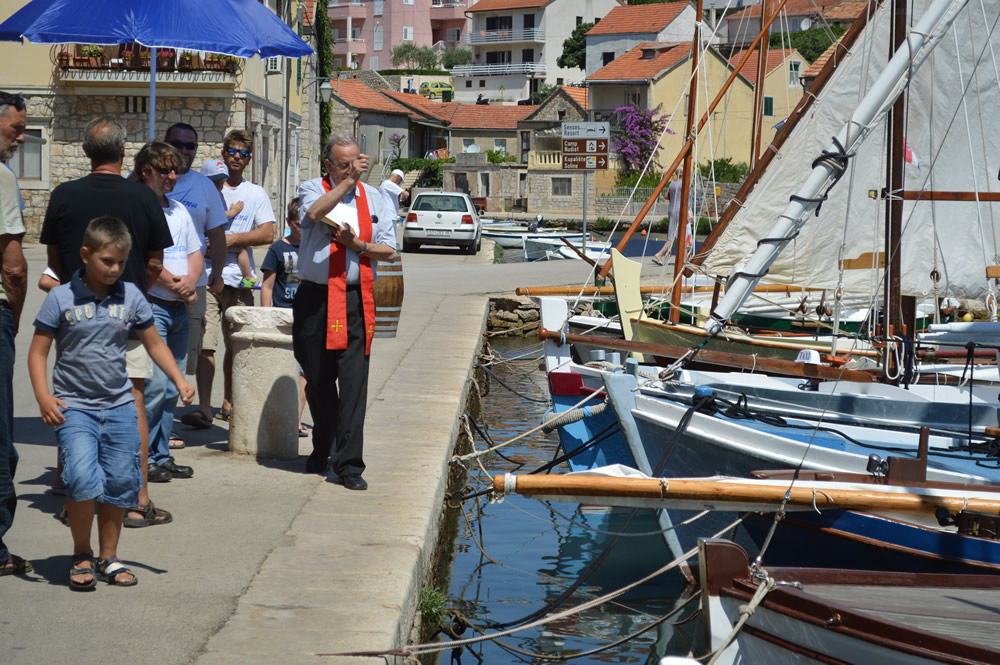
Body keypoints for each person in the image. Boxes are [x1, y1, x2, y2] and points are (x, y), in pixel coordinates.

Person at [28, 217, 195, 589]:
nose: (114, 269)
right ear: (86, 255)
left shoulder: (131, 295)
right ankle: (81, 553)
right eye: (107, 261)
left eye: (120, 262)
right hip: (74, 407)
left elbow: (153, 343)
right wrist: (43, 397)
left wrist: (180, 380)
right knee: (82, 478)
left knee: (121, 481)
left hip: (119, 406)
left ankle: (109, 556)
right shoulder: (61, 298)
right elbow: (38, 353)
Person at [41, 116, 175, 528]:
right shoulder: (144, 199)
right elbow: (156, 260)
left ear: (85, 152)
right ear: (123, 154)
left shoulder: (63, 195)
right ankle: (138, 497)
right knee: (131, 400)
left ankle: (70, 489)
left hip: (75, 312)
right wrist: (132, 291)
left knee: (74, 396)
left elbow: (53, 262)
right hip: (127, 317)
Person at [294, 134, 398, 490]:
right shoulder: (313, 188)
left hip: (355, 298)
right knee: (318, 381)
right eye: (344, 164)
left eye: (357, 162)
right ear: (329, 165)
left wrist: (360, 246)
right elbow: (313, 214)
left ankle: (350, 464)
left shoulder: (375, 199)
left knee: (353, 384)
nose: (352, 169)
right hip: (316, 298)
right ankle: (323, 444)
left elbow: (390, 250)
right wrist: (348, 182)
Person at [188, 130, 274, 426]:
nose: (237, 156)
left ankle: (230, 401)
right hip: (208, 279)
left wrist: (233, 238)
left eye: (243, 153)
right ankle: (204, 408)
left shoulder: (255, 194)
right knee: (206, 344)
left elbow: (268, 233)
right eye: (232, 151)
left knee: (237, 346)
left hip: (240, 281)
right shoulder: (206, 188)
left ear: (249, 159)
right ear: (223, 153)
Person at [135, 143, 202, 482]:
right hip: (153, 305)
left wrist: (190, 282)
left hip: (178, 308)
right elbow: (145, 258)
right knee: (156, 385)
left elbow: (195, 252)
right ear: (147, 171)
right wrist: (174, 283)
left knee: (174, 387)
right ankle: (143, 460)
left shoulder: (178, 210)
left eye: (176, 170)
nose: (172, 176)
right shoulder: (139, 207)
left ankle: (161, 455)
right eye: (165, 171)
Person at [161, 124, 226, 433]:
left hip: (195, 284)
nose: (184, 150)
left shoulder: (205, 186)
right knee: (159, 351)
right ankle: (159, 421)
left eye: (190, 146)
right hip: (155, 286)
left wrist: (218, 271)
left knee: (197, 349)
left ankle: (201, 407)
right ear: (166, 144)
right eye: (178, 144)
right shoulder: (148, 181)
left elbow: (216, 234)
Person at [0, 91, 29, 576]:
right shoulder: (2, 178)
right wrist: (17, 317)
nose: (21, 138)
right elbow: (15, 267)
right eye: (15, 129)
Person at [261, 198, 307, 436]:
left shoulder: (314, 248)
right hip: (281, 316)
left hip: (307, 318)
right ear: (289, 223)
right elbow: (267, 286)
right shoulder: (278, 249)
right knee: (282, 368)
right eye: (299, 224)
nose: (303, 229)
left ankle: (296, 419)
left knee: (304, 372)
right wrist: (266, 316)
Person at [200, 158, 256, 287]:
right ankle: (248, 277)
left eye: (221, 183)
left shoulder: (217, 194)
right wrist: (233, 212)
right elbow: (216, 215)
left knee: (240, 248)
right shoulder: (204, 196)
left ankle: (246, 276)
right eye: (215, 183)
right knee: (240, 249)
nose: (219, 187)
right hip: (207, 237)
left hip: (216, 233)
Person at [652, 173, 693, 267]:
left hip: (672, 209)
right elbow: (685, 199)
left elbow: (666, 196)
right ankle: (660, 254)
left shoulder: (672, 184)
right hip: (681, 210)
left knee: (680, 234)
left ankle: (684, 259)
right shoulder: (685, 183)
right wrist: (687, 213)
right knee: (677, 234)